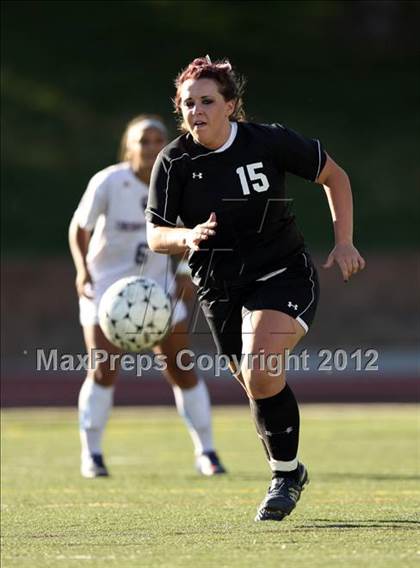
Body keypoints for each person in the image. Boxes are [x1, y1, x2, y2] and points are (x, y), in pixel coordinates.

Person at [146, 57, 366, 521]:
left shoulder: (267, 141)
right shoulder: (174, 162)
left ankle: (283, 477)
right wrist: (186, 237)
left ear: (231, 105)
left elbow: (335, 177)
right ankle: (291, 469)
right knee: (254, 382)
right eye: (188, 103)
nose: (196, 110)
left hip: (281, 271)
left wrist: (344, 241)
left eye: (207, 101)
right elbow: (155, 235)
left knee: (262, 368)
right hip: (219, 286)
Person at [68, 114, 226, 479]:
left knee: (181, 368)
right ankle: (91, 454)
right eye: (144, 140)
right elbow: (80, 228)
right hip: (106, 289)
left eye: (159, 140)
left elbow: (194, 233)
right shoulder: (109, 181)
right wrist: (82, 269)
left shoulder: (179, 180)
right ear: (129, 147)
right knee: (103, 368)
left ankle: (207, 451)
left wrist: (186, 274)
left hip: (157, 292)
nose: (152, 147)